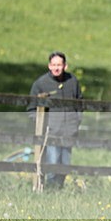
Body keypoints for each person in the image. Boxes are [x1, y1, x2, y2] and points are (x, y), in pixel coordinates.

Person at [28, 51, 83, 188]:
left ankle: (58, 190)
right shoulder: (40, 83)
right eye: (53, 65)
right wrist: (43, 125)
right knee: (53, 163)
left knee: (65, 165)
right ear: (49, 66)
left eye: (59, 65)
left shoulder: (73, 81)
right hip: (50, 133)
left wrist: (76, 122)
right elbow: (31, 109)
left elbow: (80, 104)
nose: (56, 68)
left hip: (69, 132)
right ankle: (50, 191)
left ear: (65, 66)